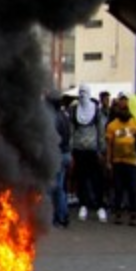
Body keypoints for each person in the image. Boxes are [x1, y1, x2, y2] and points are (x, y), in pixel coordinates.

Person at [105, 95, 136, 226]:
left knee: (132, 189)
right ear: (118, 109)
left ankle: (132, 214)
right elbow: (109, 145)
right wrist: (108, 161)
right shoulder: (112, 126)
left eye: (126, 108)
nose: (124, 110)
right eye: (122, 107)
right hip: (118, 161)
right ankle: (118, 214)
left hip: (133, 161)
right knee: (118, 188)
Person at [71, 85, 107, 223]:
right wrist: (71, 149)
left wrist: (101, 150)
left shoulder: (96, 111)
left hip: (93, 150)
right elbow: (72, 130)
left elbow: (101, 131)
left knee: (97, 179)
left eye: (84, 93)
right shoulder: (74, 110)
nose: (82, 95)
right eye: (80, 93)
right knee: (81, 179)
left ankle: (100, 207)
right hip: (79, 150)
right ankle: (83, 205)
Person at [48, 92, 71, 229]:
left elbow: (52, 139)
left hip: (57, 155)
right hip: (66, 154)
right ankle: (63, 215)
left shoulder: (53, 118)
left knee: (54, 188)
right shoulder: (64, 116)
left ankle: (58, 217)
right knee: (61, 187)